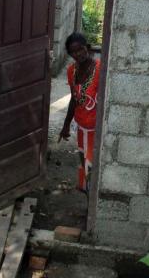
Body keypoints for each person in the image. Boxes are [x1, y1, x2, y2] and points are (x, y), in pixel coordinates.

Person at [59, 32, 101, 193]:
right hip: (81, 128)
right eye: (73, 52)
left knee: (91, 167)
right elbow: (74, 99)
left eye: (81, 50)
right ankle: (87, 197)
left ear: (88, 49)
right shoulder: (71, 71)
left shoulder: (100, 70)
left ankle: (91, 206)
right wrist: (66, 126)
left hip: (95, 130)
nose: (78, 54)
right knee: (84, 163)